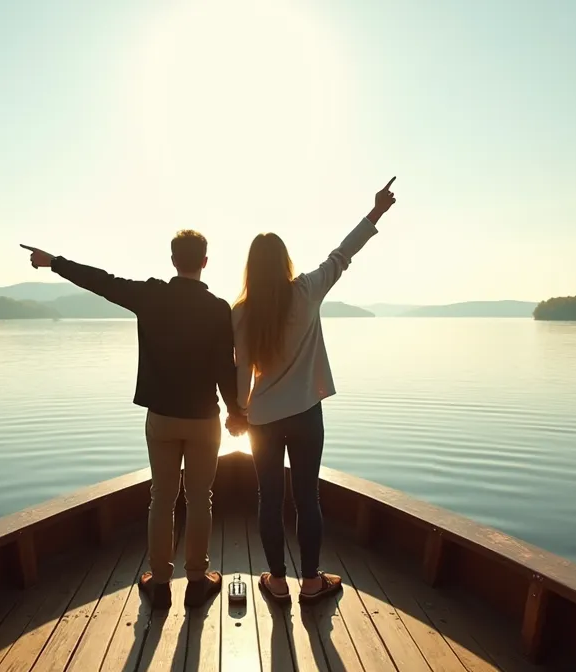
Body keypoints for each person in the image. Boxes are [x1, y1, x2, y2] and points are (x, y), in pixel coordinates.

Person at [20, 231, 243, 609]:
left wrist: (53, 261)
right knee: (200, 499)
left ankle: (158, 584)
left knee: (162, 498)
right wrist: (237, 412)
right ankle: (195, 581)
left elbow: (102, 282)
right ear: (205, 262)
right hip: (204, 418)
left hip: (162, 418)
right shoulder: (219, 308)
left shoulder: (151, 295)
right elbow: (226, 368)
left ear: (173, 260)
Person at [232, 177, 397, 604]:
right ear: (284, 261)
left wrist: (239, 411)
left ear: (250, 266)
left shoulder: (243, 313)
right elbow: (341, 255)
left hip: (263, 421)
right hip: (307, 414)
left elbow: (241, 372)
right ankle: (310, 582)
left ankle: (277, 582)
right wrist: (375, 212)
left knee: (269, 500)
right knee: (308, 496)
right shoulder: (306, 290)